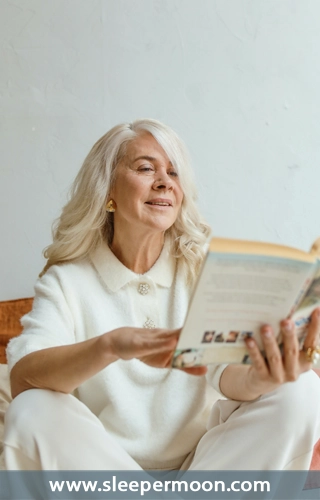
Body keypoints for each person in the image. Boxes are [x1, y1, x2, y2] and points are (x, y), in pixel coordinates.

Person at [3, 119, 320, 471]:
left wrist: (262, 378)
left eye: (173, 172)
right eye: (145, 168)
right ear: (107, 190)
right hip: (108, 479)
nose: (164, 182)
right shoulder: (67, 283)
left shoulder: (200, 270)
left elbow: (228, 375)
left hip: (201, 473)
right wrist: (110, 346)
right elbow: (23, 378)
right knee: (31, 408)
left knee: (302, 387)